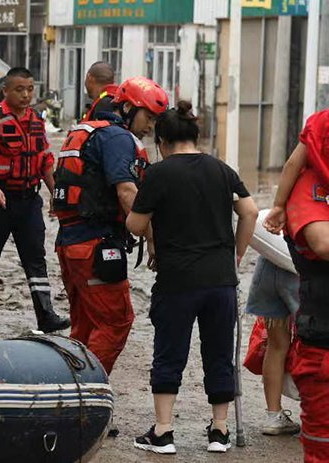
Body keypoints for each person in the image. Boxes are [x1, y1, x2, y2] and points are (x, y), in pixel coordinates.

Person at [125, 100, 258, 455]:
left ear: (162, 141)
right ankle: (220, 431)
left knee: (169, 353)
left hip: (177, 280)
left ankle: (164, 432)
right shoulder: (222, 170)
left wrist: (150, 225)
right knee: (219, 353)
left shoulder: (158, 173)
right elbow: (250, 211)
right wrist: (237, 253)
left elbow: (135, 224)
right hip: (220, 280)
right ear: (196, 136)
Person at [53, 76, 169, 374]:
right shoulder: (117, 138)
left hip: (71, 244)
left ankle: (69, 393)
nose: (150, 127)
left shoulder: (87, 130)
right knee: (116, 321)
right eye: (148, 117)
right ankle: (88, 396)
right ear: (128, 107)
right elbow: (128, 192)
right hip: (97, 247)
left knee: (84, 326)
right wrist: (155, 237)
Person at [0, 68, 70, 332]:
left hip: (29, 200)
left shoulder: (35, 120)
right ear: (6, 91)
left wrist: (55, 194)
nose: (26, 94)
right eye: (19, 89)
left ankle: (46, 315)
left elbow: (44, 160)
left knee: (36, 257)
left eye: (30, 89)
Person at [263, 108, 329, 462]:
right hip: (323, 345)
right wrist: (277, 205)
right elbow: (322, 243)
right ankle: (274, 412)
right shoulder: (309, 188)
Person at [244, 248, 302, 435]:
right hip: (302, 271)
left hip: (270, 265)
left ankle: (274, 416)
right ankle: (317, 414)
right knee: (317, 345)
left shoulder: (277, 216)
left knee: (276, 345)